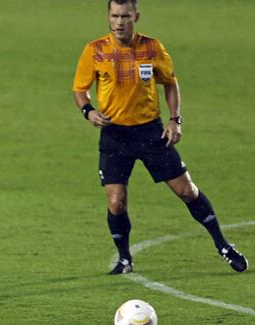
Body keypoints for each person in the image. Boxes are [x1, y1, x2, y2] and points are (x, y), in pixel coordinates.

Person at [72, 0, 248, 274]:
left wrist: (175, 119)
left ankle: (223, 245)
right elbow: (80, 89)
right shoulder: (95, 50)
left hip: (150, 132)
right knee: (116, 201)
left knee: (186, 190)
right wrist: (88, 110)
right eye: (115, 16)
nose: (119, 22)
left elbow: (170, 82)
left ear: (136, 17)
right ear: (108, 16)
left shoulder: (152, 48)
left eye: (125, 16)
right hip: (115, 135)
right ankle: (125, 259)